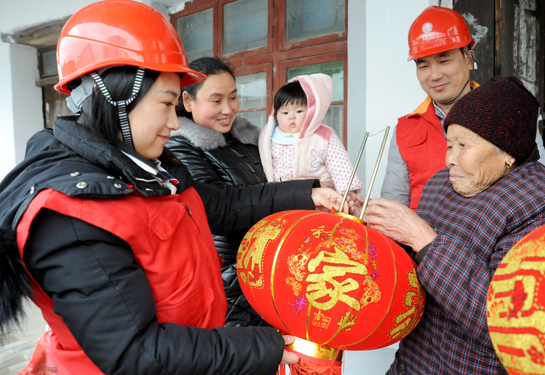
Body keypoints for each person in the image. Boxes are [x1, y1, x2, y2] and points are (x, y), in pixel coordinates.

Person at [0, 2, 348, 374]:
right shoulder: (68, 214)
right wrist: (263, 345)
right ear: (116, 96)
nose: (174, 123)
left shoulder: (150, 170)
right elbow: (137, 353)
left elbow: (221, 206)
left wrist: (306, 194)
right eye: (167, 104)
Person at [355, 76, 545, 374]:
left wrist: (423, 238)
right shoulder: (441, 184)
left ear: (507, 151)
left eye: (463, 145)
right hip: (412, 362)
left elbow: (507, 321)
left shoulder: (543, 208)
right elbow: (410, 272)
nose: (450, 160)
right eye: (449, 145)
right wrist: (374, 235)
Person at [380, 6, 545, 211]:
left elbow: (539, 188)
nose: (434, 75)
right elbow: (394, 207)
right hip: (418, 241)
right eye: (423, 66)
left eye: (444, 60)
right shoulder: (405, 130)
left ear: (469, 59)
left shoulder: (510, 114)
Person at [166, 57, 269, 328]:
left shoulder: (250, 141)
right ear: (187, 102)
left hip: (269, 268)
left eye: (233, 98)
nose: (228, 109)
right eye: (216, 100)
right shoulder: (180, 150)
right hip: (228, 279)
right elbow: (222, 206)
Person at [259, 74, 363, 195]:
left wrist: (348, 191)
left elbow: (341, 166)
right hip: (282, 198)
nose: (291, 117)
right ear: (276, 114)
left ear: (312, 112)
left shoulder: (323, 137)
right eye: (285, 112)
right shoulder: (268, 138)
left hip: (320, 195)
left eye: (299, 111)